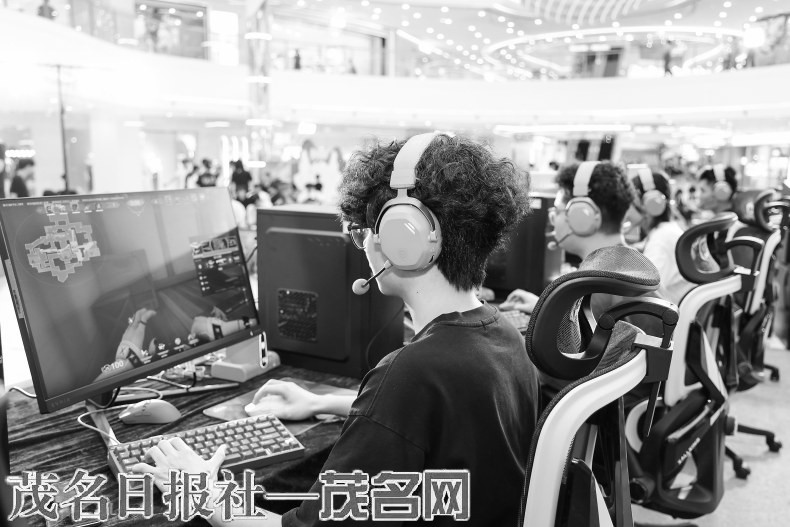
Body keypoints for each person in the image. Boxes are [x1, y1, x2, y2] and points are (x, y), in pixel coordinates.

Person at [132, 133, 541, 526]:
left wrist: (202, 491)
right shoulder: (504, 336)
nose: (364, 245)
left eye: (364, 231)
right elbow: (436, 419)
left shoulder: (413, 372)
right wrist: (321, 401)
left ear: (403, 238)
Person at [500, 161, 640, 316]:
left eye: (558, 210)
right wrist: (541, 306)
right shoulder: (629, 265)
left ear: (582, 215)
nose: (553, 218)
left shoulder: (599, 285)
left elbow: (579, 327)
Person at [629, 166, 694, 305]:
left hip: (668, 313)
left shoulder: (661, 240)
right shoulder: (665, 231)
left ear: (650, 204)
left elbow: (644, 290)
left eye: (631, 203)